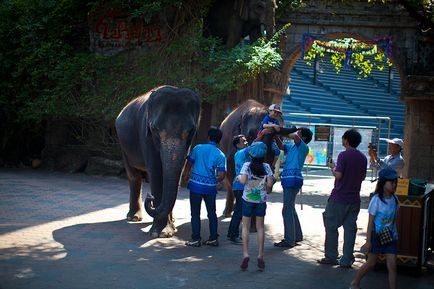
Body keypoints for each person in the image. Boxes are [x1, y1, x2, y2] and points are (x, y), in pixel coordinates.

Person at [318, 128, 367, 268]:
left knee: (331, 227)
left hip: (339, 197)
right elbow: (363, 177)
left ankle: (331, 256)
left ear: (346, 140)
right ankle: (347, 259)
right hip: (354, 198)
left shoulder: (343, 156)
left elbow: (338, 175)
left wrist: (332, 168)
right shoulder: (362, 158)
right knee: (350, 229)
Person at [350, 168, 399, 289]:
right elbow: (370, 222)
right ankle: (355, 282)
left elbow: (393, 220)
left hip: (390, 236)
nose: (394, 185)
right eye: (391, 182)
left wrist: (395, 233)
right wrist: (368, 241)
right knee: (371, 262)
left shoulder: (395, 200)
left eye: (395, 182)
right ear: (383, 183)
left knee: (392, 265)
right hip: (376, 236)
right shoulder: (376, 200)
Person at [184, 127, 226, 247]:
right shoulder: (220, 155)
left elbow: (189, 163)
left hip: (195, 186)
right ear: (219, 140)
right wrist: (214, 180)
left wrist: (186, 174)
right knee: (212, 213)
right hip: (210, 188)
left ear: (208, 137)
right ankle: (213, 238)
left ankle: (196, 239)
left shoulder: (198, 148)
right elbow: (222, 175)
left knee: (195, 213)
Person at [236, 142, 275, 271]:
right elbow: (269, 184)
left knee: (245, 227)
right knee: (260, 228)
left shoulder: (247, 165)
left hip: (247, 200)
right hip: (261, 201)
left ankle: (246, 254)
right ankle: (260, 255)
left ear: (251, 153)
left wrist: (238, 177)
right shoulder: (267, 167)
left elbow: (242, 181)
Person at [274, 127, 313, 248]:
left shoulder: (303, 147)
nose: (297, 134)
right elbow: (282, 147)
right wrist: (276, 135)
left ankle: (289, 239)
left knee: (286, 210)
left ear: (304, 137)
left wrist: (280, 130)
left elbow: (295, 137)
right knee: (290, 208)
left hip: (292, 179)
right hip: (290, 179)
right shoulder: (293, 147)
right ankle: (297, 235)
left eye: (299, 132)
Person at [227, 134, 250, 244]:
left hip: (240, 186)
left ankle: (231, 233)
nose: (246, 142)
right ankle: (233, 235)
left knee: (238, 210)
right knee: (239, 211)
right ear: (237, 145)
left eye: (246, 140)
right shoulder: (241, 153)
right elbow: (253, 147)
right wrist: (262, 134)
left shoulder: (243, 154)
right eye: (243, 141)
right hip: (240, 186)